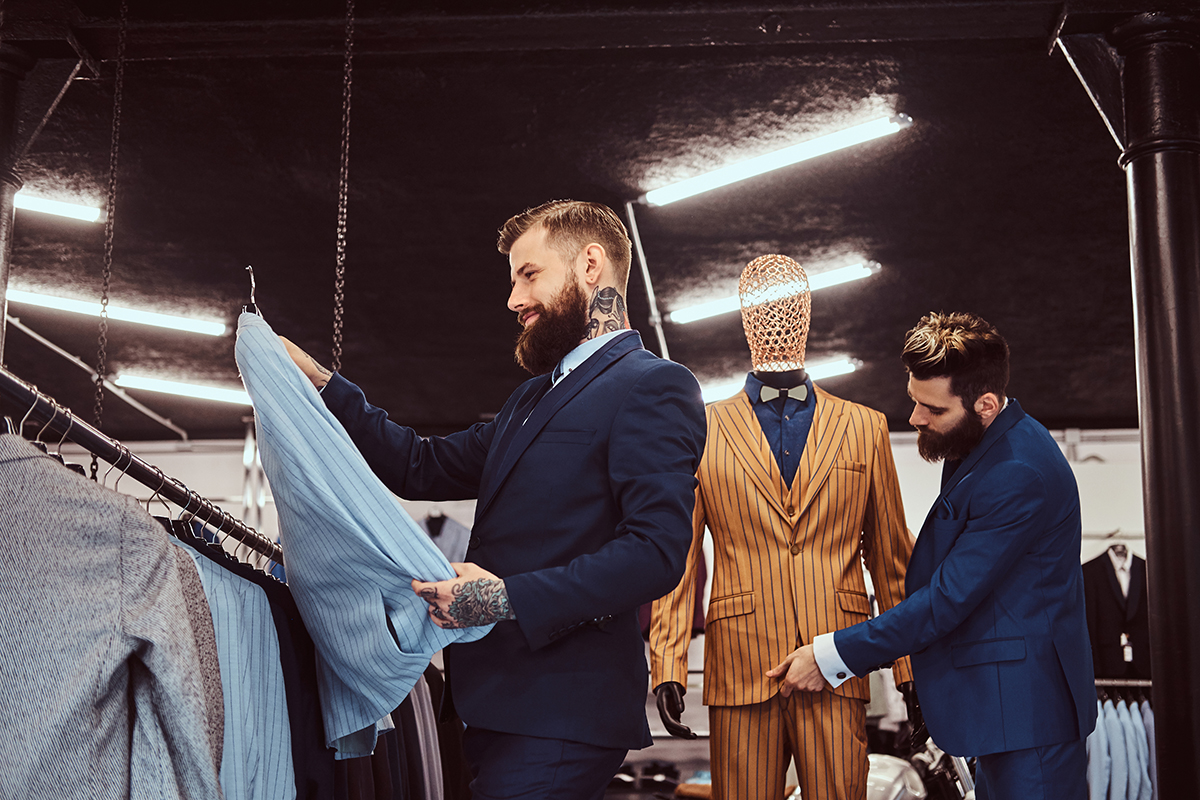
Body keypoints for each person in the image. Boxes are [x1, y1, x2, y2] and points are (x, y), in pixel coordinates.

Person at [282, 199, 707, 800]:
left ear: (590, 265)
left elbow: (655, 553)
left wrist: (502, 598)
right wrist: (322, 386)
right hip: (493, 706)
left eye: (528, 275)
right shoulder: (528, 402)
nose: (513, 300)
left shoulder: (653, 385)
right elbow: (419, 465)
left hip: (562, 709)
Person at [778, 311, 1096, 800]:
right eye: (914, 401)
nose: (915, 418)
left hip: (1029, 719)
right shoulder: (983, 443)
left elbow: (948, 598)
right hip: (1003, 712)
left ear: (986, 403)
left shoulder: (1019, 471)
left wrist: (832, 656)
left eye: (934, 410)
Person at [649, 254, 915, 800]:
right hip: (741, 663)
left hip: (838, 660)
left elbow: (891, 558)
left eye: (792, 306)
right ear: (745, 319)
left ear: (810, 316)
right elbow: (680, 557)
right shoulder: (701, 427)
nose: (778, 319)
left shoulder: (864, 428)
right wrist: (668, 662)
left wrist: (912, 671)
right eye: (765, 309)